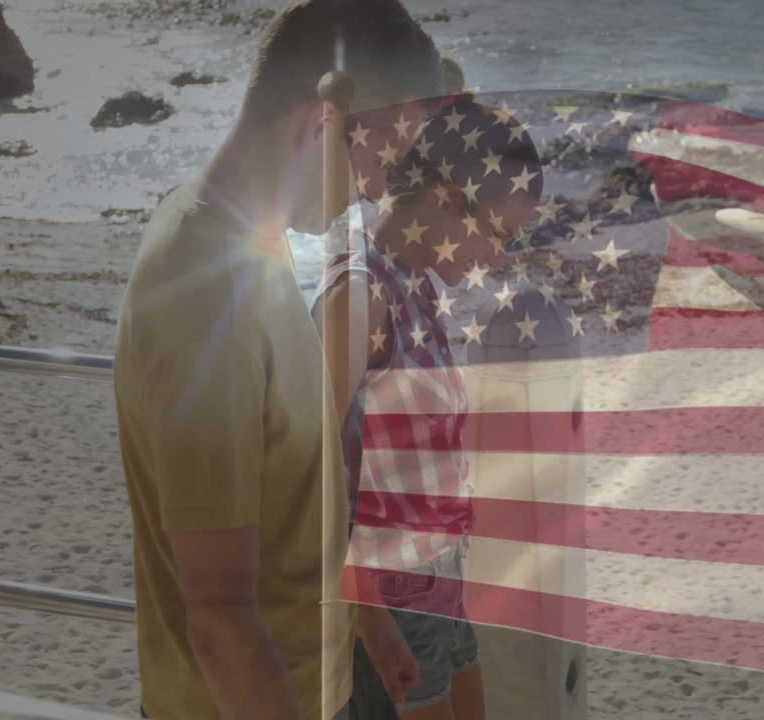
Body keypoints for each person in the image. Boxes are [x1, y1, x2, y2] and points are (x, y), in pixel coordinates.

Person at [111, 1, 445, 718]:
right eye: (387, 158)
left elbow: (293, 492)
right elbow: (222, 619)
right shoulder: (202, 293)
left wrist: (370, 628)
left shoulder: (247, 250)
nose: (384, 189)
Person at [310, 97, 544, 720]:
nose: (497, 258)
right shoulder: (361, 298)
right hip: (385, 599)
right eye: (497, 234)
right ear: (445, 197)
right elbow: (307, 478)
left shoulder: (417, 286)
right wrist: (375, 621)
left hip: (435, 580)